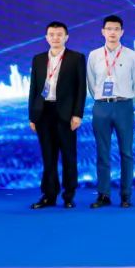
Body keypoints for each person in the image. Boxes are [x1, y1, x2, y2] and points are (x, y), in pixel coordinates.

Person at [28, 21, 87, 209]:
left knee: (69, 156)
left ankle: (69, 196)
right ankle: (49, 195)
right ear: (46, 37)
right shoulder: (38, 59)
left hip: (66, 114)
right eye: (51, 34)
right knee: (48, 157)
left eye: (59, 34)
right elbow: (33, 89)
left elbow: (81, 89)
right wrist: (32, 116)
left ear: (66, 37)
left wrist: (77, 114)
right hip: (43, 113)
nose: (55, 38)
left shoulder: (76, 58)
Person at [86, 15, 135, 208]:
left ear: (122, 32)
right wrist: (102, 98)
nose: (112, 32)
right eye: (109, 29)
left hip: (124, 106)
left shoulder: (132, 55)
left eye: (116, 29)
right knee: (102, 152)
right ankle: (103, 195)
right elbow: (91, 84)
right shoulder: (94, 55)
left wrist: (128, 101)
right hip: (101, 106)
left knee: (127, 152)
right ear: (103, 32)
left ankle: (126, 195)